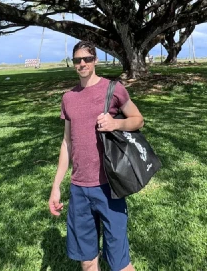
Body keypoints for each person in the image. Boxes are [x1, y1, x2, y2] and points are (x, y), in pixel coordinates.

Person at [49, 40, 145, 271]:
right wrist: (56, 186)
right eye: (77, 60)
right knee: (87, 259)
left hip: (109, 186)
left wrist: (115, 123)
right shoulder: (68, 98)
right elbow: (66, 143)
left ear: (95, 61)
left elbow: (138, 120)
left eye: (87, 59)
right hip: (79, 189)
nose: (82, 64)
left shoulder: (113, 89)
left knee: (120, 261)